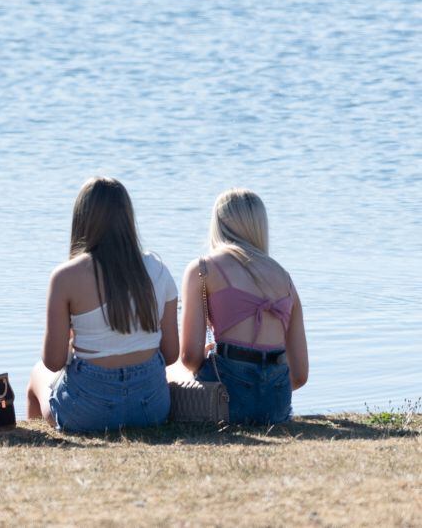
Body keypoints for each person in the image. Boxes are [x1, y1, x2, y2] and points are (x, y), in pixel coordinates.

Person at [27, 177, 178, 432]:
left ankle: (35, 437)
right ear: (128, 218)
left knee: (37, 374)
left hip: (87, 412)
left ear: (82, 219)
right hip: (150, 408)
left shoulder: (66, 277)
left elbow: (52, 361)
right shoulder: (158, 270)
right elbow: (171, 354)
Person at [179, 189, 308, 424]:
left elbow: (189, 357)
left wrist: (207, 357)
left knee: (173, 370)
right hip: (276, 406)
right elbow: (299, 375)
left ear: (217, 224)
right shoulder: (285, 279)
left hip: (226, 399)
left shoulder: (203, 270)